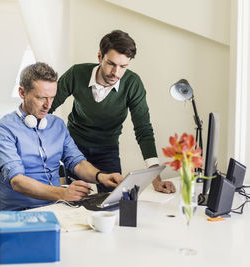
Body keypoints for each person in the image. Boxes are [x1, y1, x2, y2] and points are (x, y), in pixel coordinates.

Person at [49, 30, 176, 194]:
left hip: (107, 149)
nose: (116, 73)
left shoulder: (133, 84)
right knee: (74, 198)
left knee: (113, 198)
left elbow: (143, 130)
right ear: (100, 57)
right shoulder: (76, 74)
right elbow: (47, 106)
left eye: (123, 66)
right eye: (111, 64)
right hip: (75, 147)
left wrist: (156, 179)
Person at [0, 62, 123, 211]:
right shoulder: (3, 129)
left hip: (58, 208)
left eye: (52, 97)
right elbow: (18, 181)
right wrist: (63, 193)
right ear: (22, 93)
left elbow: (77, 162)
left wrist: (101, 177)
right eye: (41, 98)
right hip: (21, 212)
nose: (48, 105)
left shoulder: (57, 125)